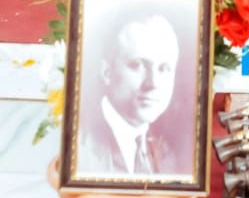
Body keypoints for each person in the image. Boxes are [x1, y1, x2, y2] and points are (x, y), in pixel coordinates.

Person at [76, 13, 182, 177]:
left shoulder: (167, 152)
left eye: (164, 69)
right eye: (137, 65)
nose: (153, 83)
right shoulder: (79, 144)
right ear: (106, 72)